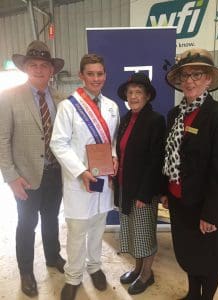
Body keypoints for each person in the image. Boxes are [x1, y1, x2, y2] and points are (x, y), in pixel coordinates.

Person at [50, 53, 120, 300]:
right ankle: (73, 276)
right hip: (79, 180)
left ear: (105, 75)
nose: (96, 78)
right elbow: (58, 143)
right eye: (90, 73)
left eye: (100, 73)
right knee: (77, 231)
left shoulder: (112, 107)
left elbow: (112, 141)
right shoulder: (68, 106)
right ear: (81, 76)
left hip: (103, 178)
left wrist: (114, 157)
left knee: (98, 227)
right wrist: (81, 171)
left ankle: (94, 266)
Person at [0, 40, 66, 297]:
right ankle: (26, 270)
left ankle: (53, 257)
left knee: (51, 219)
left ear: (51, 71)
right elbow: (2, 140)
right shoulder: (8, 97)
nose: (39, 69)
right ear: (26, 68)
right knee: (26, 224)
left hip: (55, 174)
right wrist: (11, 177)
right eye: (33, 65)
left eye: (44, 65)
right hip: (25, 177)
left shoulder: (61, 98)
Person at [161, 48, 218, 300]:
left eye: (197, 75)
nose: (189, 81)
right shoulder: (175, 115)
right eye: (185, 76)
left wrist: (211, 213)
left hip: (205, 206)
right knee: (189, 252)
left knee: (209, 258)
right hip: (180, 201)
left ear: (208, 79)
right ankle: (192, 295)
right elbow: (168, 157)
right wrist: (167, 191)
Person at [114, 73, 166, 295]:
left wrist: (145, 195)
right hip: (126, 186)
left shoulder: (155, 120)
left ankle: (147, 274)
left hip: (143, 191)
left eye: (138, 92)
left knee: (144, 234)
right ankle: (136, 269)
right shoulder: (126, 118)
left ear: (147, 96)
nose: (133, 96)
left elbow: (156, 161)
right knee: (133, 232)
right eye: (130, 92)